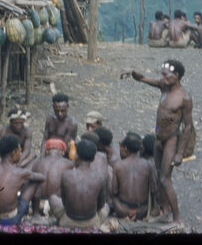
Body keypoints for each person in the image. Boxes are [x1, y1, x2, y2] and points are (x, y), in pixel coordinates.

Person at [121, 59, 194, 223]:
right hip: (158, 139)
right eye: (161, 74)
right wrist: (133, 72)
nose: (162, 77)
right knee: (159, 175)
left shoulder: (184, 98)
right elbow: (142, 79)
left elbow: (188, 126)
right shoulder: (164, 87)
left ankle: (176, 220)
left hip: (171, 141)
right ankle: (165, 213)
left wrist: (180, 153)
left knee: (164, 179)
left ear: (176, 75)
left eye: (166, 75)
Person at [0, 134, 45, 227]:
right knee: (35, 182)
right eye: (20, 150)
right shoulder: (19, 173)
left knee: (4, 188)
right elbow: (42, 177)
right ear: (13, 152)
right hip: (9, 220)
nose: (21, 153)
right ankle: (36, 215)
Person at [49, 139, 110, 230]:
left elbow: (65, 202)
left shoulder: (66, 175)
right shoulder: (100, 178)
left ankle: (59, 221)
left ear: (76, 156)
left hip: (68, 221)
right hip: (92, 223)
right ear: (93, 159)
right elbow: (101, 205)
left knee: (53, 198)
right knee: (106, 206)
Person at [111, 133, 157, 221]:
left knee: (114, 200)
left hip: (122, 210)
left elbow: (114, 191)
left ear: (125, 148)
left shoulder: (118, 165)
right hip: (142, 211)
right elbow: (154, 189)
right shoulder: (147, 164)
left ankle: (126, 217)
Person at [30, 138, 74, 217]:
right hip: (56, 205)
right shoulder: (68, 163)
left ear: (46, 151)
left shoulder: (36, 162)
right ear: (63, 152)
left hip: (37, 204)